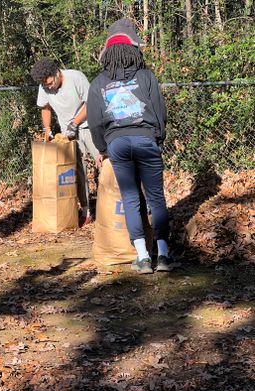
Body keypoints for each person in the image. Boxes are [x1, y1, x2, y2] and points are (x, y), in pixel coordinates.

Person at [87, 18, 174, 273]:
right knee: (156, 197)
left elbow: (94, 123)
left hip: (117, 145)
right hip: (146, 140)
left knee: (131, 198)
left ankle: (143, 257)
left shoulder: (98, 83)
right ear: (133, 48)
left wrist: (103, 149)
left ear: (108, 51)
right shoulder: (146, 76)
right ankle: (165, 256)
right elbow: (160, 111)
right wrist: (158, 139)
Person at [31, 58, 99, 226]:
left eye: (50, 83)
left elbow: (91, 103)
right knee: (77, 171)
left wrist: (75, 123)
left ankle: (112, 204)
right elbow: (45, 108)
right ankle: (86, 211)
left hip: (89, 126)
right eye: (45, 85)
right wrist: (47, 130)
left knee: (104, 162)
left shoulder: (76, 78)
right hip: (68, 134)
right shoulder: (44, 87)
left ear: (57, 73)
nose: (49, 87)